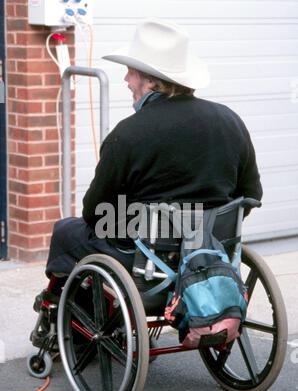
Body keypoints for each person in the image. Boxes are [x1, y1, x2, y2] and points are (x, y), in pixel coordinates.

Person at [35, 18, 262, 312]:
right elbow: (251, 193)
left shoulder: (128, 134)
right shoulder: (230, 121)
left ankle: (67, 317)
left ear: (151, 80)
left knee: (67, 231)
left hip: (150, 267)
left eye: (130, 73)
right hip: (211, 253)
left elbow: (95, 212)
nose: (125, 81)